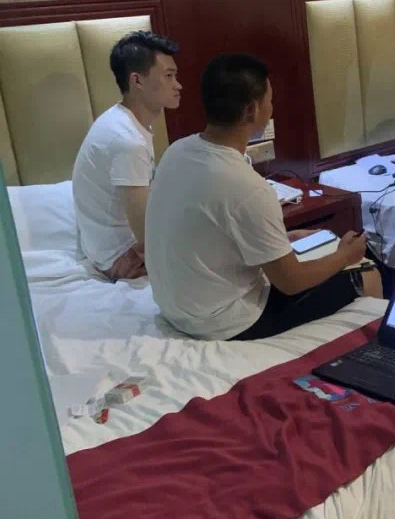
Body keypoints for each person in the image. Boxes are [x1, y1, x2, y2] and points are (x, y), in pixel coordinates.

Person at [145, 54, 372, 341]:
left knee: (310, 250)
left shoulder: (176, 152)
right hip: (224, 322)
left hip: (176, 309)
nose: (272, 107)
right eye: (270, 100)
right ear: (252, 110)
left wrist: (280, 239)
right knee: (367, 274)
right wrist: (345, 255)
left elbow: (206, 228)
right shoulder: (247, 186)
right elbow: (291, 282)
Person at [72, 31, 181, 280]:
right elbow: (147, 234)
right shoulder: (126, 141)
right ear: (137, 80)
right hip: (122, 258)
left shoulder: (121, 119)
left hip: (106, 245)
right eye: (169, 75)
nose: (178, 85)